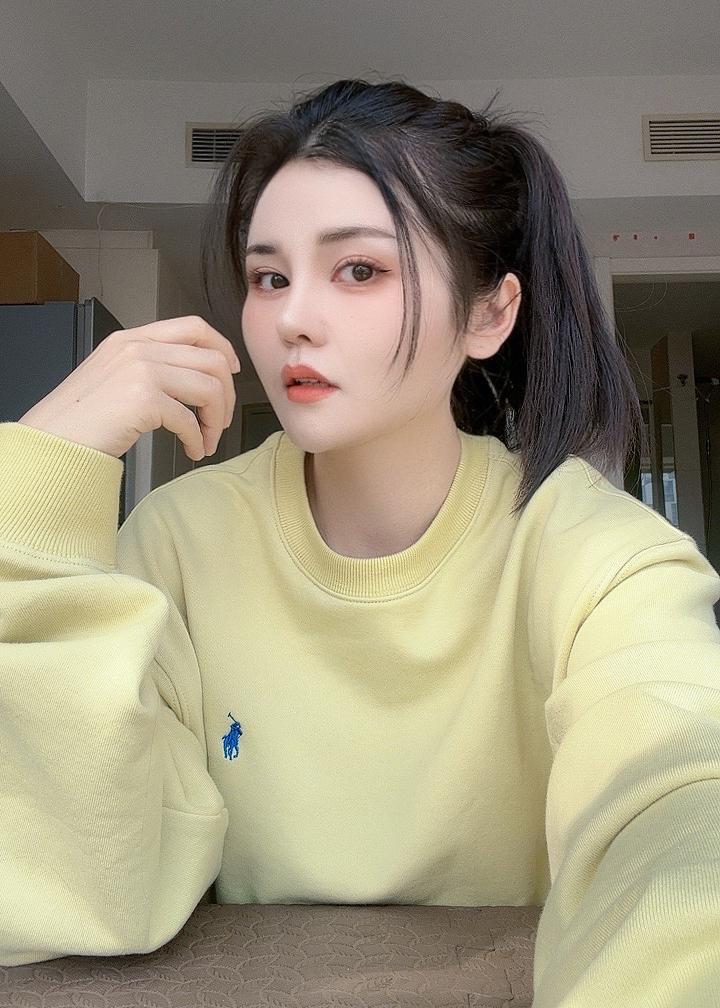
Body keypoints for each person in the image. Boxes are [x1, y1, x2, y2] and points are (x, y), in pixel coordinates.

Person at [1, 77, 719, 1005]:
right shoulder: (180, 540)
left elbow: (681, 799)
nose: (292, 318)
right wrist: (37, 475)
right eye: (269, 277)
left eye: (359, 271)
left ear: (488, 314)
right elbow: (70, 890)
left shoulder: (594, 552)